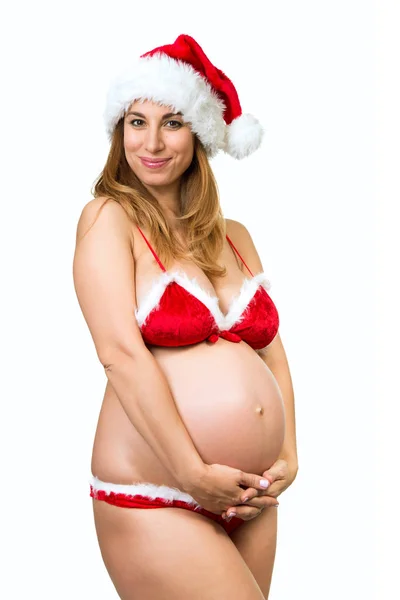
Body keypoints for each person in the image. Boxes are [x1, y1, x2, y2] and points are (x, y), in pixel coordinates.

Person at [73, 34, 298, 600]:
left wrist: (288, 453)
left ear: (199, 134)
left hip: (251, 494)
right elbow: (119, 355)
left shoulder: (236, 236)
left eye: (172, 123)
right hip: (157, 489)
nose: (150, 142)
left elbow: (272, 353)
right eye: (136, 122)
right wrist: (194, 474)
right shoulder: (109, 219)